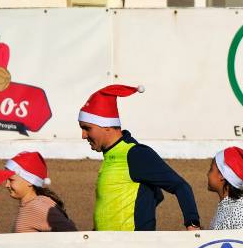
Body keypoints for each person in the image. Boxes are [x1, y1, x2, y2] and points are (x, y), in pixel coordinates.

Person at [77, 84, 200, 231]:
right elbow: (156, 195)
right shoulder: (111, 155)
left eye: (87, 128)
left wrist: (192, 225)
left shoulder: (135, 154)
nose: (83, 135)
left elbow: (181, 186)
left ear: (106, 126)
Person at [4, 151, 78, 232]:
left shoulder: (37, 206)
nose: (6, 185)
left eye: (11, 180)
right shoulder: (32, 204)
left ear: (30, 181)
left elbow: (71, 233)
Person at [206, 146, 243, 229]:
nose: (208, 174)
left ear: (222, 175)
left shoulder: (241, 212)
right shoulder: (227, 207)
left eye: (211, 169)